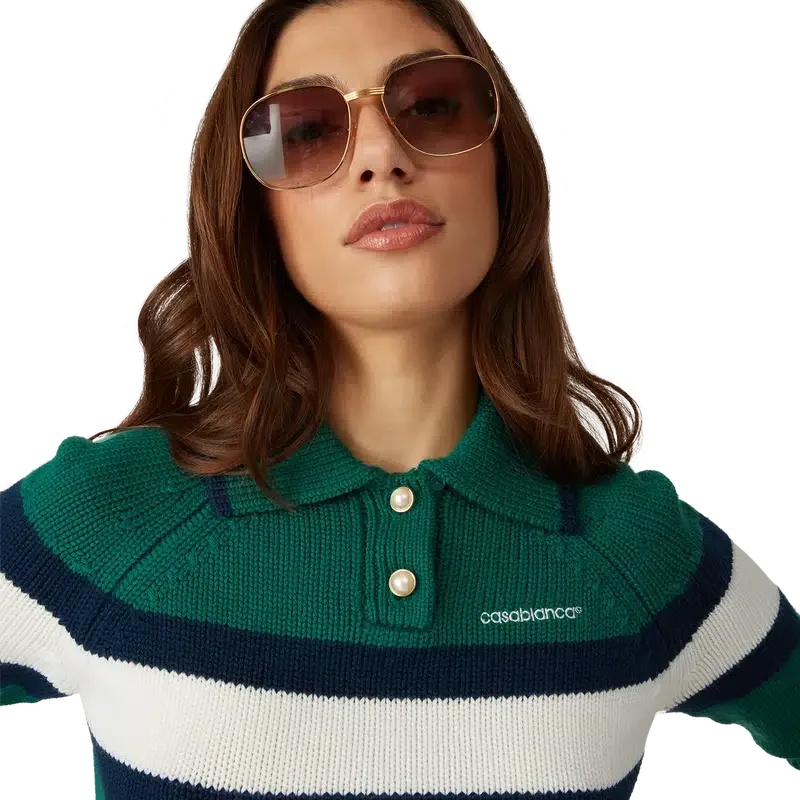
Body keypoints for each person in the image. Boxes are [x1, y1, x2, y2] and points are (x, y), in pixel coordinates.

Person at [1, 1, 797, 797]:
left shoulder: (633, 549)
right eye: (307, 130)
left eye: (434, 105)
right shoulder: (107, 519)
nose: (382, 154)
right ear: (255, 210)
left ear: (503, 165)